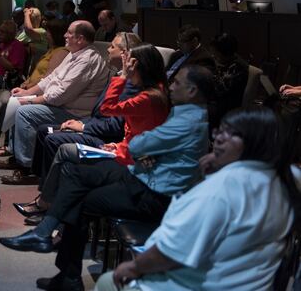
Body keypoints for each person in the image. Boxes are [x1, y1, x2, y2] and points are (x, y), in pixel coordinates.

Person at [2, 65, 213, 291]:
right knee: (75, 174)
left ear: (192, 90)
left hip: (153, 193)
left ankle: (66, 272)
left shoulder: (185, 121)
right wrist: (147, 151)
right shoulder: (185, 113)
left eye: (177, 83)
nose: (171, 86)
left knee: (79, 199)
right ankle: (46, 237)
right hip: (142, 174)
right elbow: (141, 145)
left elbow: (140, 143)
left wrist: (146, 151)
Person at [96, 107, 299, 291]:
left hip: (191, 285)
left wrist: (133, 267)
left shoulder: (221, 188)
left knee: (107, 281)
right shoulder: (286, 177)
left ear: (256, 143)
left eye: (233, 133)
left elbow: (168, 254)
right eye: (220, 131)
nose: (219, 138)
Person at [6, 21, 110, 177]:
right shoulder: (74, 53)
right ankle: (16, 155)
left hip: (75, 113)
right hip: (61, 106)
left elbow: (60, 95)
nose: (65, 36)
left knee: (24, 112)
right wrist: (25, 92)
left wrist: (30, 100)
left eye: (69, 33)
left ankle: (26, 167)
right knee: (16, 101)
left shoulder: (87, 59)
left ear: (80, 39)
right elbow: (51, 78)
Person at [208, 32, 249, 127]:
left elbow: (219, 90)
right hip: (217, 102)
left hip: (226, 107)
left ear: (225, 53)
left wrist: (212, 73)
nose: (213, 56)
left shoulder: (238, 67)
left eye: (216, 53)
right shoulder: (224, 62)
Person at [20, 18, 70, 89]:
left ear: (56, 35)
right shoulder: (51, 50)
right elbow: (38, 72)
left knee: (4, 98)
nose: (46, 34)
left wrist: (26, 87)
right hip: (30, 88)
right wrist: (25, 83)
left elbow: (48, 77)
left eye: (48, 32)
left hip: (38, 91)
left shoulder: (61, 52)